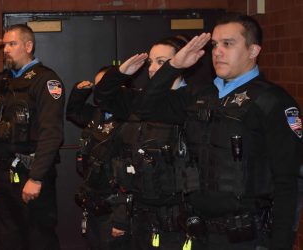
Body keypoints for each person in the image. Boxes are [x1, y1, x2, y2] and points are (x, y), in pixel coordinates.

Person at [138, 13, 303, 250]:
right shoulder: (200, 95)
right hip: (198, 233)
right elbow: (147, 107)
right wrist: (173, 67)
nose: (217, 52)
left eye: (228, 44)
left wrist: (280, 244)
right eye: (214, 45)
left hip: (246, 237)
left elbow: (288, 183)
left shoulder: (272, 101)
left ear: (253, 50)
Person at [0, 24, 64, 250]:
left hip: (31, 174)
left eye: (12, 44)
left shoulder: (45, 81)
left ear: (28, 46)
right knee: (9, 238)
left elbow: (52, 133)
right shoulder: (3, 81)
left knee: (39, 239)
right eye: (5, 44)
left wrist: (37, 177)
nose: (6, 49)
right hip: (2, 174)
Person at [94, 35, 195, 249]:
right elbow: (102, 97)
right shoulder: (140, 99)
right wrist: (120, 74)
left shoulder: (191, 100)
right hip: (139, 211)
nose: (152, 68)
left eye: (162, 62)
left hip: (177, 215)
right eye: (151, 62)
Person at [67, 65, 132, 249]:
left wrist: (122, 217)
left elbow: (131, 175)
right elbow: (73, 112)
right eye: (98, 87)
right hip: (94, 202)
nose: (100, 92)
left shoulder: (130, 120)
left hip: (116, 207)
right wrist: (80, 92)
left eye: (106, 86)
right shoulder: (97, 113)